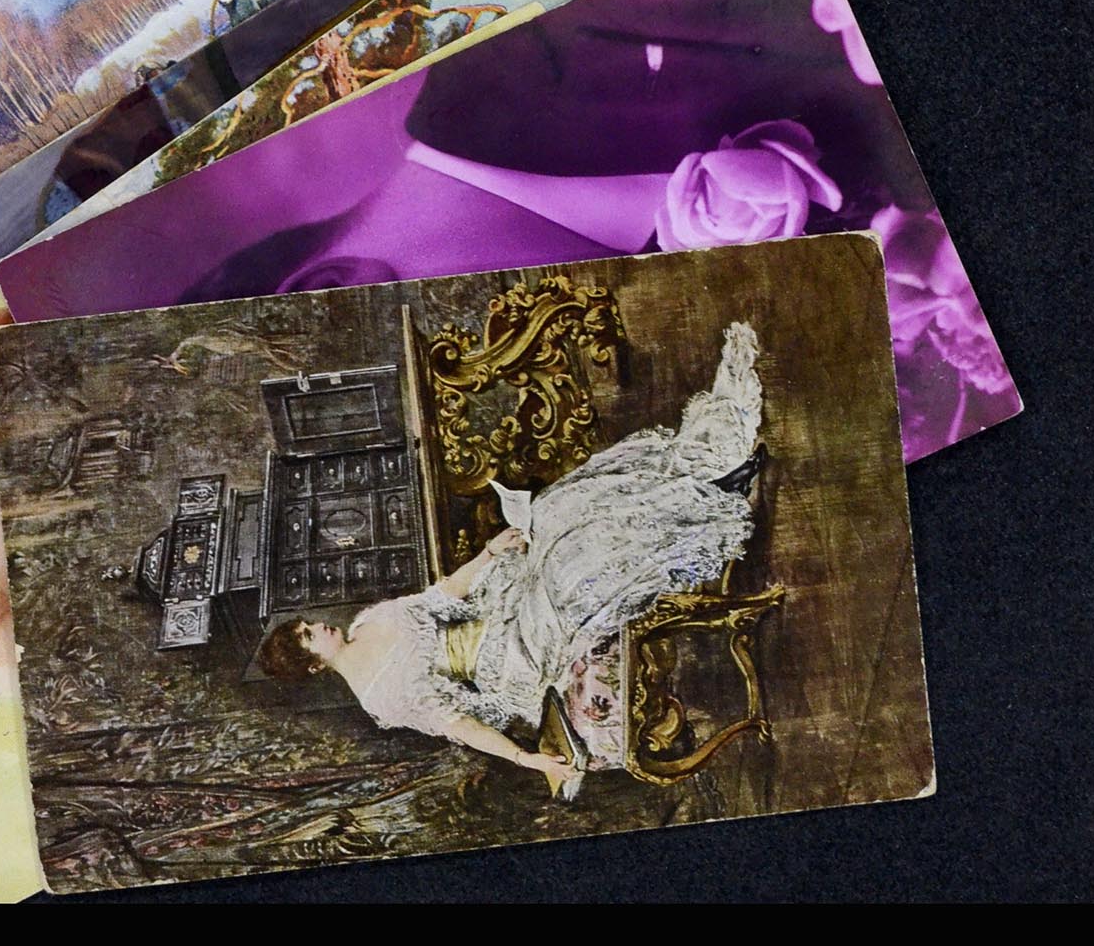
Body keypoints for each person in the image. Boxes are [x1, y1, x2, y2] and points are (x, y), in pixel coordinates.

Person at [257, 322, 765, 796]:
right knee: (573, 564)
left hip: (497, 606)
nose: (319, 626)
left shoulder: (367, 622)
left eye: (307, 624)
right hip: (510, 658)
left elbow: (443, 596)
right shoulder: (381, 698)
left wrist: (489, 552)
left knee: (555, 509)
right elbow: (462, 726)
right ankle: (715, 499)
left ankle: (697, 476)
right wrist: (528, 759)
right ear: (315, 665)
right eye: (309, 636)